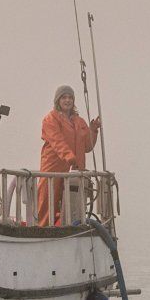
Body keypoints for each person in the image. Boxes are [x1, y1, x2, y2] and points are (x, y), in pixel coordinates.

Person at [37, 84, 100, 226]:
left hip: (73, 172)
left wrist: (93, 131)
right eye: (64, 97)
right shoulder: (50, 119)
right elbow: (57, 141)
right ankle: (42, 229)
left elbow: (87, 147)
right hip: (53, 170)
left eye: (70, 97)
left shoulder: (80, 121)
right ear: (58, 100)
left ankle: (70, 227)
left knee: (72, 204)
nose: (67, 100)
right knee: (47, 201)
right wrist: (70, 158)